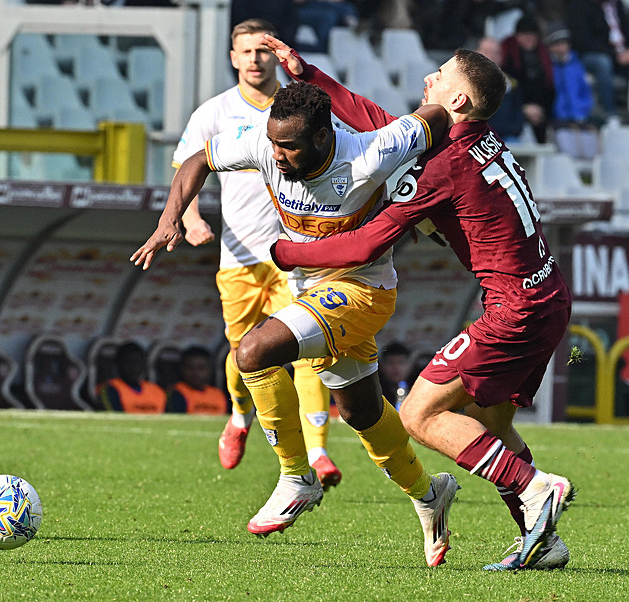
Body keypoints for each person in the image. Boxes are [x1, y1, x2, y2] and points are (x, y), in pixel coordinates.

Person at [267, 36, 576, 571]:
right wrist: (309, 76)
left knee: (419, 413)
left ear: (456, 102)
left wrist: (288, 251)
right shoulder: (474, 140)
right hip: (547, 297)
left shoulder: (443, 166)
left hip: (515, 308)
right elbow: (378, 121)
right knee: (490, 426)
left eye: (440, 75)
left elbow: (365, 244)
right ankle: (543, 540)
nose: (429, 80)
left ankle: (535, 487)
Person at [132, 80, 461, 567]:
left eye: (289, 146)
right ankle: (429, 492)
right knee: (361, 414)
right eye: (274, 143)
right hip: (311, 291)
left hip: (363, 291)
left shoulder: (371, 152)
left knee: (253, 351)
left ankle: (295, 477)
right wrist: (169, 220)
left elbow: (435, 118)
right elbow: (199, 159)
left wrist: (415, 194)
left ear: (325, 137)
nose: (278, 155)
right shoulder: (265, 144)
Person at [173, 18, 342, 488]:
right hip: (239, 256)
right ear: (233, 58)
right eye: (245, 52)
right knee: (242, 351)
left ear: (275, 55)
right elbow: (186, 170)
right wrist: (191, 221)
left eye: (263, 51)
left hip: (295, 255)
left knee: (310, 351)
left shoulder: (299, 109)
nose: (255, 60)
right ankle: (239, 417)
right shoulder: (214, 112)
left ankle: (318, 451)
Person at [566, 0, 629, 124]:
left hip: (621, 54)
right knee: (603, 63)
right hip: (592, 55)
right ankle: (610, 114)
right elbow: (583, 41)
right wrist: (615, 55)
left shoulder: (618, 5)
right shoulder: (580, 6)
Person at [500, 13, 556, 143]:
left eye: (532, 35)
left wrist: (541, 111)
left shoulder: (544, 58)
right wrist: (524, 109)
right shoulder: (507, 56)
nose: (529, 38)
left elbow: (549, 87)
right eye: (525, 34)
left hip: (541, 113)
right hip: (515, 113)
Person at [545, 23, 598, 159]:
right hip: (559, 122)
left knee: (591, 155)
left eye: (564, 43)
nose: (562, 47)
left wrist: (583, 109)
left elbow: (586, 92)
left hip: (581, 119)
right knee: (568, 156)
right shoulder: (547, 67)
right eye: (557, 44)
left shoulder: (577, 66)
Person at [476, 36, 526, 143]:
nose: (492, 56)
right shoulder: (465, 83)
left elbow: (518, 121)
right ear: (476, 53)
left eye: (496, 53)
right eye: (487, 52)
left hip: (508, 138)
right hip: (477, 138)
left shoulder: (512, 84)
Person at [98, 341, 167, 413]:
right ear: (118, 364)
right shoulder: (111, 390)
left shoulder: (157, 391)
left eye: (137, 363)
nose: (134, 368)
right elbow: (115, 420)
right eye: (128, 363)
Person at [166, 345, 228, 415]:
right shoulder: (176, 392)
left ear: (210, 369)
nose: (195, 373)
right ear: (182, 369)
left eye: (201, 368)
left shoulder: (218, 395)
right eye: (190, 367)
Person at [378, 341, 411, 410]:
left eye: (401, 363)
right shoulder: (377, 391)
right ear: (382, 366)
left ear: (409, 365)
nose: (396, 367)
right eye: (391, 363)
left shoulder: (417, 388)